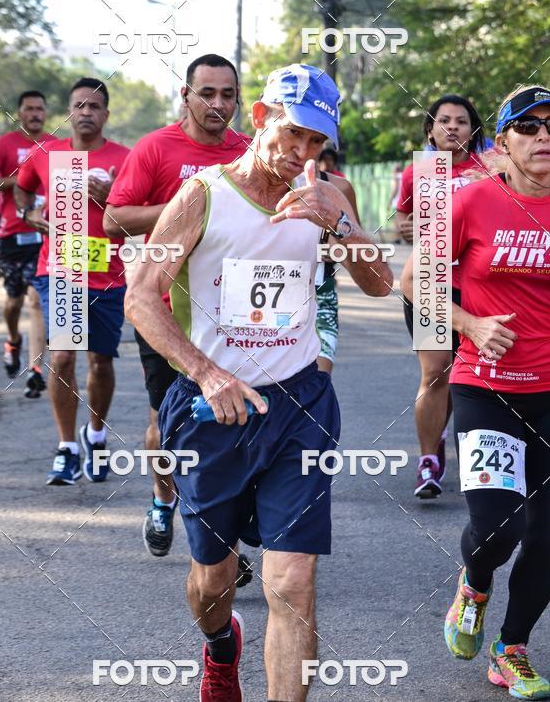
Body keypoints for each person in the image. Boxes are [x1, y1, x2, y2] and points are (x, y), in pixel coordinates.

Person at [126, 63, 393, 701]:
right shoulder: (203, 195)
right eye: (294, 135)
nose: (303, 154)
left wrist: (344, 224)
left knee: (292, 581)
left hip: (300, 403)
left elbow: (381, 284)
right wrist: (206, 372)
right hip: (212, 412)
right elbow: (141, 298)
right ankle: (220, 645)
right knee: (213, 584)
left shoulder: (330, 191)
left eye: (317, 143)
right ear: (260, 119)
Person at [104, 53, 250, 557]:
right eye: (206, 93)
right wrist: (185, 211)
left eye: (227, 94)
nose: (217, 104)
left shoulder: (248, 152)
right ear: (185, 95)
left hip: (233, 311)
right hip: (164, 307)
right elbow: (113, 218)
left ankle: (219, 535)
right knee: (166, 420)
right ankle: (162, 499)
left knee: (230, 418)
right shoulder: (155, 148)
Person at [443, 85, 550, 700]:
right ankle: (475, 584)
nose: (543, 137)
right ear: (503, 143)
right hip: (487, 388)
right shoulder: (472, 200)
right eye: (528, 127)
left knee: (548, 532)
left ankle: (512, 648)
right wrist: (473, 324)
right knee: (498, 526)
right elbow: (415, 283)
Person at [15, 78, 130, 485]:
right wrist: (29, 216)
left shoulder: (124, 157)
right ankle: (67, 447)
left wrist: (114, 192)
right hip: (61, 268)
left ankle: (96, 437)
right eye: (78, 105)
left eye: (94, 106)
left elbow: (138, 213)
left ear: (105, 115)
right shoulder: (46, 154)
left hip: (107, 273)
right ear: (68, 112)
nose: (85, 112)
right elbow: (21, 191)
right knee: (62, 356)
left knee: (100, 361)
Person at [397, 94, 486, 499]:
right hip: (429, 279)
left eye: (462, 121)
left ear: (474, 130)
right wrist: (407, 226)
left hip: (480, 286)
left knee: (466, 373)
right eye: (444, 120)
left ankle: (476, 450)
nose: (452, 127)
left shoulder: (493, 168)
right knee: (435, 372)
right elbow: (402, 221)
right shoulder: (420, 172)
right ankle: (429, 459)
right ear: (430, 129)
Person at [0, 91, 53, 396]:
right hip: (11, 234)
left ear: (46, 113)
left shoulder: (52, 146)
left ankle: (35, 369)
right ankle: (13, 339)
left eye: (40, 109)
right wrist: (22, 180)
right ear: (19, 113)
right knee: (14, 300)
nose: (35, 114)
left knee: (35, 298)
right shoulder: (6, 144)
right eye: (29, 109)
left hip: (44, 233)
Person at [315, 168, 361, 373]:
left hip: (320, 296)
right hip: (265, 302)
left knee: (317, 381)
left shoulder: (339, 188)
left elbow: (360, 252)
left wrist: (340, 247)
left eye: (315, 139)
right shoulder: (258, 183)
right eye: (296, 134)